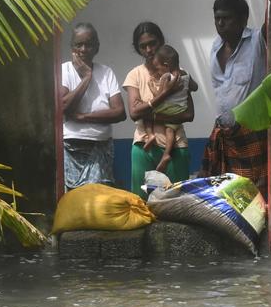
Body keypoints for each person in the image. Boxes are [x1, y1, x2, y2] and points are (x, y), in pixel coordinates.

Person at [200, 0, 269, 195]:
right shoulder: (215, 46)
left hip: (250, 132)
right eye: (217, 18)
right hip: (223, 133)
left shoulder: (258, 41)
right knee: (223, 194)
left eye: (226, 18)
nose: (220, 23)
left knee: (251, 194)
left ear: (242, 19)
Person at [123, 21, 196, 197]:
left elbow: (189, 114)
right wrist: (166, 95)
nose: (148, 50)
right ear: (137, 48)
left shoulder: (178, 73)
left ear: (161, 41)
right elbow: (133, 113)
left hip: (176, 147)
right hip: (143, 146)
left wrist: (150, 114)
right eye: (143, 46)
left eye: (152, 43)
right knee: (141, 202)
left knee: (178, 202)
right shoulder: (135, 74)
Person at [59, 23, 125, 191]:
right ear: (71, 47)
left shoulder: (106, 72)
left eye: (88, 44)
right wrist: (86, 78)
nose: (83, 49)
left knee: (98, 199)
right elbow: (63, 106)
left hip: (101, 147)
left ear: (97, 47)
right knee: (73, 200)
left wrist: (83, 117)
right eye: (78, 44)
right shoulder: (64, 70)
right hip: (71, 146)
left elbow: (119, 112)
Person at [143, 45, 191, 172]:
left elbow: (159, 96)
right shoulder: (186, 74)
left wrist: (151, 85)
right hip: (180, 109)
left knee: (146, 112)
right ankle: (166, 154)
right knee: (170, 130)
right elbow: (194, 87)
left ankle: (150, 135)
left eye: (158, 68)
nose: (158, 72)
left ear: (166, 65)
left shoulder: (166, 77)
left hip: (168, 108)